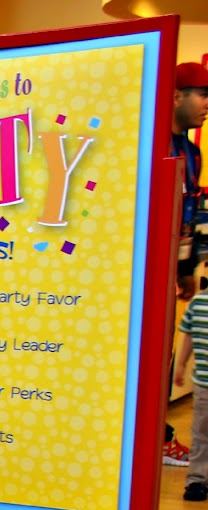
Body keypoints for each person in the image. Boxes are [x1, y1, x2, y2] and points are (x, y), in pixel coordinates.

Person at [166, 62, 208, 467]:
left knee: (162, 355)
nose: (207, 104)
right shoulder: (153, 144)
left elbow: (188, 214)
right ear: (177, 95)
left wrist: (184, 269)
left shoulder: (192, 152)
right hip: (140, 273)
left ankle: (156, 436)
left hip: (169, 270)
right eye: (203, 94)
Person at [174, 275, 208, 499]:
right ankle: (197, 479)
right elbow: (188, 335)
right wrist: (181, 364)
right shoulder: (198, 303)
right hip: (204, 384)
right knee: (201, 433)